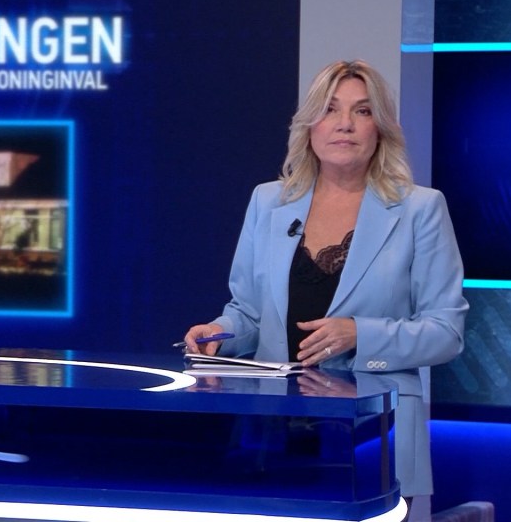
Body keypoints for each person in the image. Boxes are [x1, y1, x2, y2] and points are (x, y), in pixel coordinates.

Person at [182, 59, 467, 508]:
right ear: (309, 125)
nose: (344, 124)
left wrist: (360, 335)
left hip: (375, 438)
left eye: (362, 111)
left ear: (380, 128)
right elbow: (250, 313)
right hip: (274, 435)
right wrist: (219, 332)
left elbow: (445, 332)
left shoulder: (420, 210)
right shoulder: (268, 201)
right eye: (330, 109)